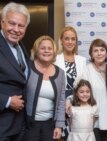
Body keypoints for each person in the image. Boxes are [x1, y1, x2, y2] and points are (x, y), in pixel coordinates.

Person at [25, 35, 65, 141]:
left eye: (49, 48)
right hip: (28, 124)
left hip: (49, 125)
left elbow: (61, 101)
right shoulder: (27, 68)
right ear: (36, 51)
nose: (46, 51)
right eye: (42, 48)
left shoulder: (60, 73)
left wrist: (59, 125)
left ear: (54, 51)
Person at [0, 2, 30, 141]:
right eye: (12, 23)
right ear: (2, 22)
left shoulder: (21, 46)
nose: (16, 29)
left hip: (20, 124)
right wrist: (6, 101)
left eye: (21, 26)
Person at [54, 26, 87, 139]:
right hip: (59, 105)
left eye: (73, 39)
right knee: (62, 137)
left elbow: (84, 86)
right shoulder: (54, 59)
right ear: (61, 40)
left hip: (77, 105)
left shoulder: (82, 60)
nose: (70, 42)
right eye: (67, 38)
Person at [87, 39, 107, 141]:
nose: (99, 53)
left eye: (102, 50)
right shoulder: (87, 70)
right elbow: (77, 90)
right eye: (95, 51)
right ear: (91, 54)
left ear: (106, 53)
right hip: (93, 120)